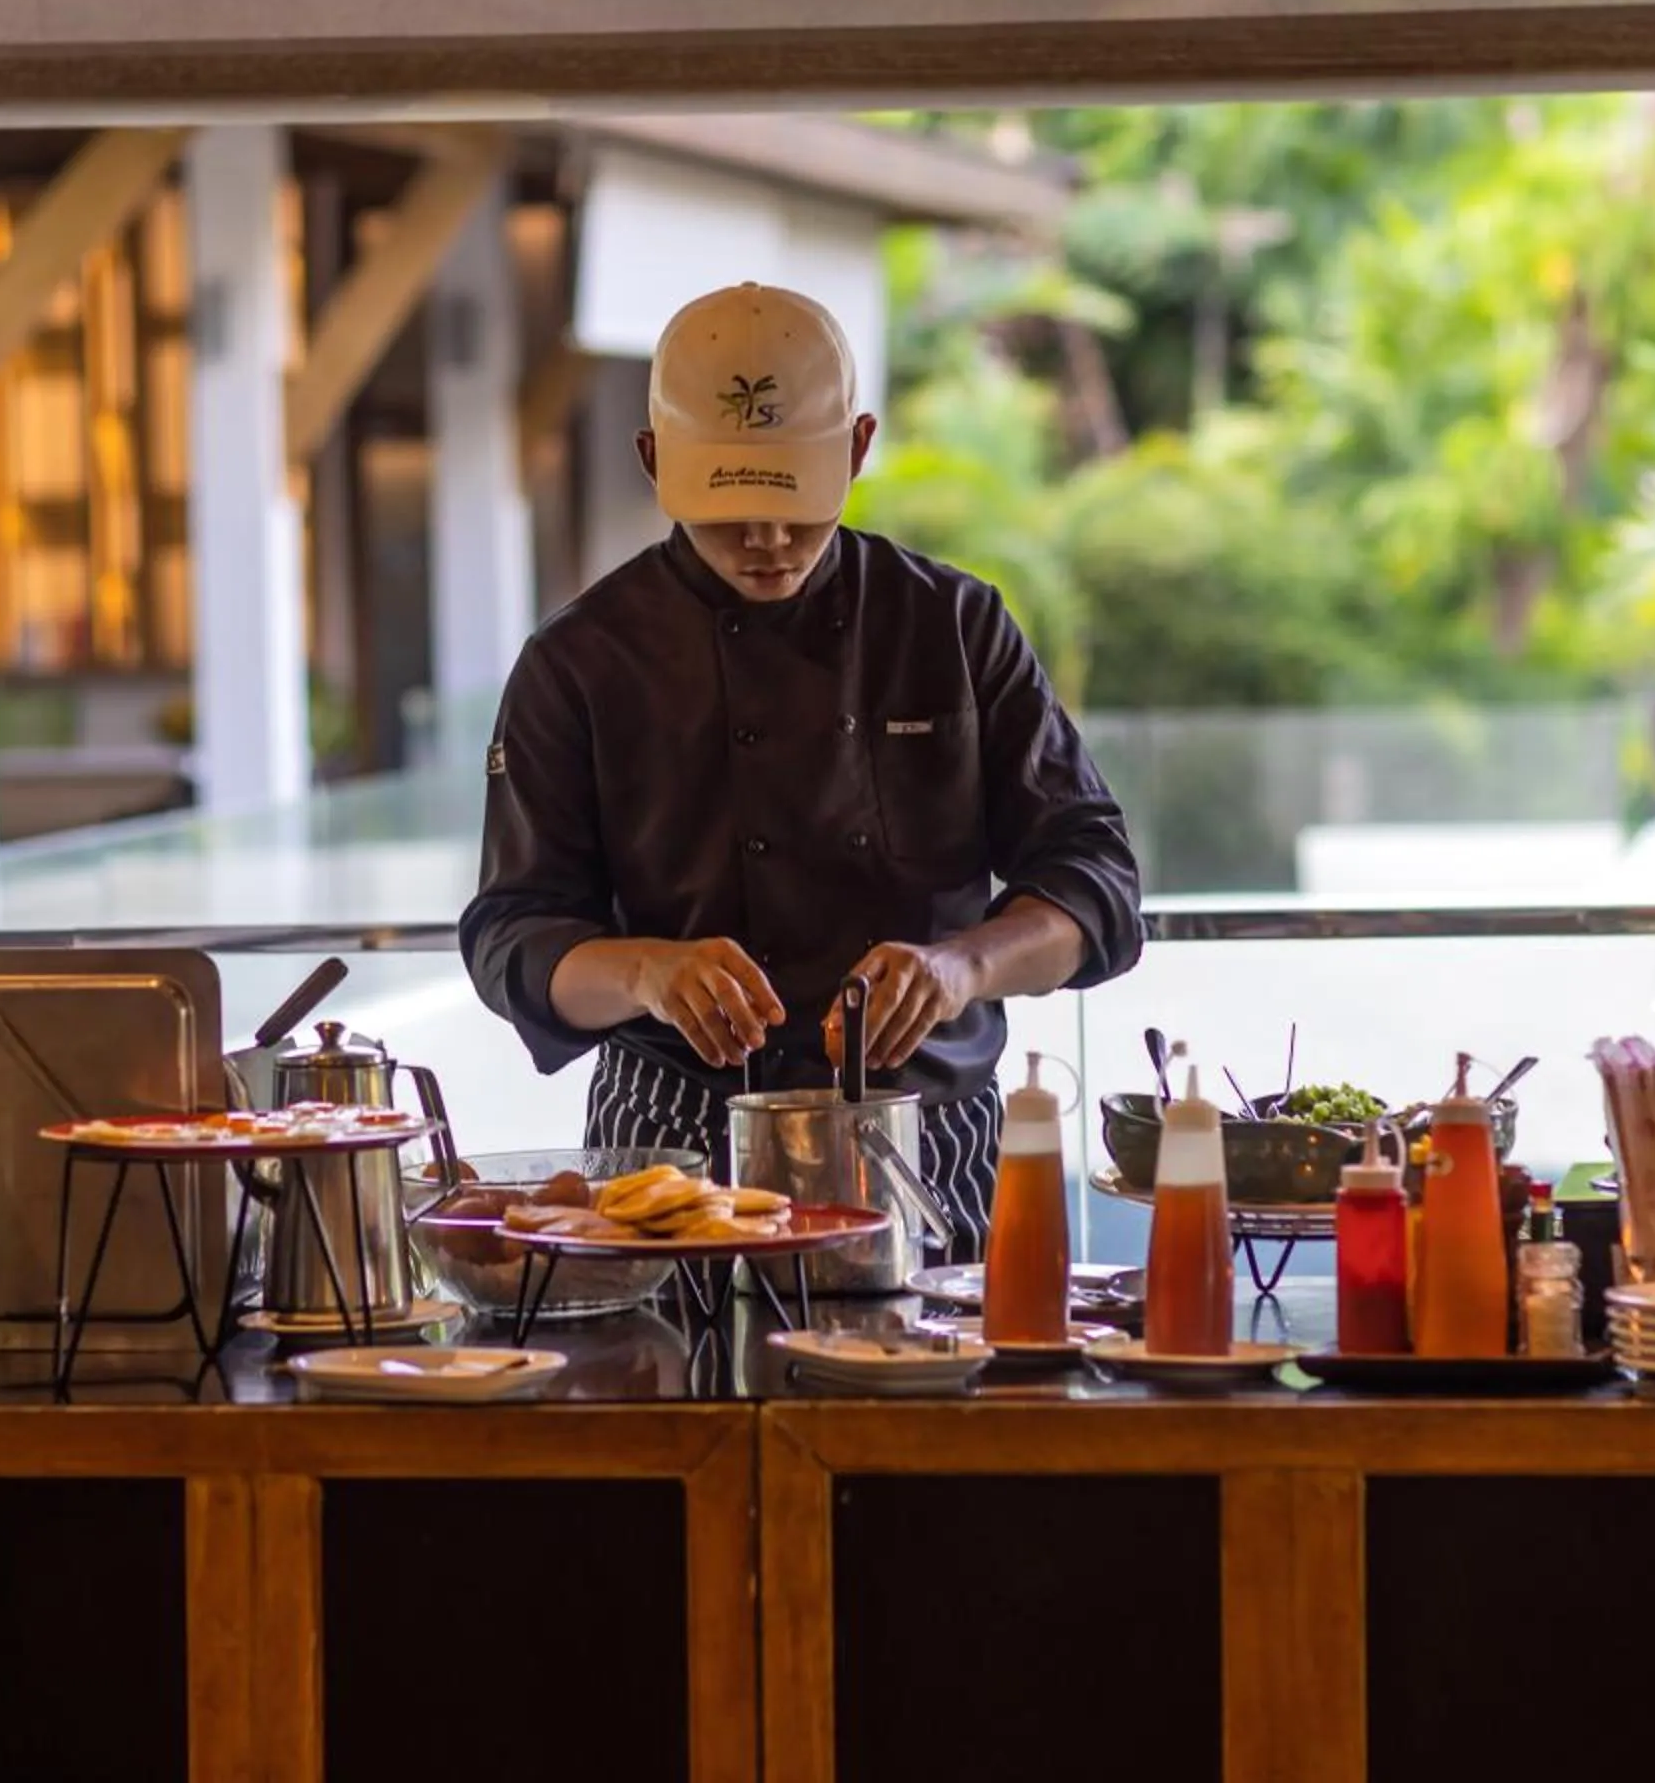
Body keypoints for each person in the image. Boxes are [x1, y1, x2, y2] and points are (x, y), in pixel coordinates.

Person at [459, 282, 1143, 1259]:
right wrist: (648, 971)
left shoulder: (952, 626)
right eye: (729, 512)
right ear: (653, 461)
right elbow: (511, 936)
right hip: (671, 1148)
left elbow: (1097, 882)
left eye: (795, 505)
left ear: (858, 449)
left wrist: (963, 965)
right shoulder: (580, 662)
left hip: (926, 1136)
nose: (768, 541)